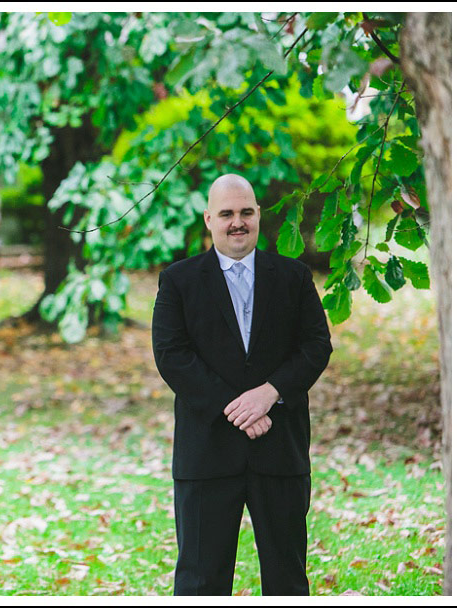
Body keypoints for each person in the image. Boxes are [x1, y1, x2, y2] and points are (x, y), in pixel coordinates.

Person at [151, 173, 332, 595]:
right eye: (227, 214)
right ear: (208, 219)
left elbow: (317, 345)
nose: (238, 222)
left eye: (246, 212)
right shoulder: (178, 281)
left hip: (280, 449)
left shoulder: (293, 276)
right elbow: (171, 356)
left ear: (258, 215)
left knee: (287, 579)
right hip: (207, 452)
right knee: (201, 582)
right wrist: (236, 407)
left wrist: (269, 394)